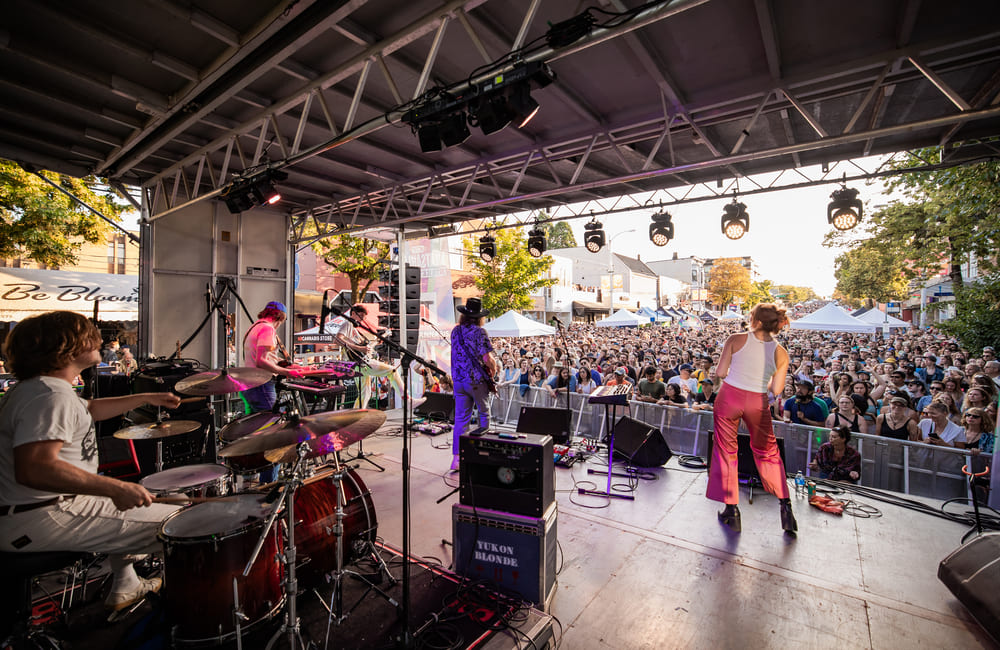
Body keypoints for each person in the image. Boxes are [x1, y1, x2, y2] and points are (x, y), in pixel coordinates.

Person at [0, 311, 183, 611]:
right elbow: (34, 467)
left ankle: (127, 583)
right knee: (183, 523)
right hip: (44, 515)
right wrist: (113, 488)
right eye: (90, 335)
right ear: (66, 347)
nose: (99, 338)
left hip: (38, 511)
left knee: (176, 501)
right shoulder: (48, 396)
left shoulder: (43, 389)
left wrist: (146, 398)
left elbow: (90, 409)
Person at [707, 303, 796, 535]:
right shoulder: (780, 352)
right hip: (757, 401)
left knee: (727, 451)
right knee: (768, 451)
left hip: (729, 397)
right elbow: (777, 388)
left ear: (753, 319)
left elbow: (720, 373)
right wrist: (760, 379)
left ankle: (732, 510)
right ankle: (786, 507)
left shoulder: (736, 339)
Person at [450, 298, 497, 472]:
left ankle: (457, 459)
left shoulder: (455, 331)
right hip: (476, 381)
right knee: (484, 414)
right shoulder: (480, 332)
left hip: (459, 381)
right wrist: (495, 368)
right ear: (479, 317)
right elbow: (486, 358)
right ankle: (482, 456)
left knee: (461, 420)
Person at [242, 301, 304, 413]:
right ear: (281, 317)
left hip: (250, 385)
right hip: (261, 384)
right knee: (271, 422)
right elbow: (261, 362)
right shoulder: (268, 329)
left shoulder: (255, 326)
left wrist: (291, 366)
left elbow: (266, 357)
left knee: (255, 425)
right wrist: (287, 372)